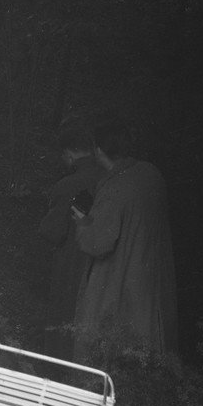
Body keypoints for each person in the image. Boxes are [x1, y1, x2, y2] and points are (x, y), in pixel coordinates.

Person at [72, 120, 178, 359]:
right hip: (150, 274)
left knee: (111, 343)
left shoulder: (114, 187)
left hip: (120, 279)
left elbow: (97, 243)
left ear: (98, 150)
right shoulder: (152, 174)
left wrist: (82, 221)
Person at [37, 122, 104, 359]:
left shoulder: (67, 185)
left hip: (72, 257)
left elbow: (51, 231)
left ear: (68, 154)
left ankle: (58, 363)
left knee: (65, 310)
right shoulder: (109, 176)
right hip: (104, 260)